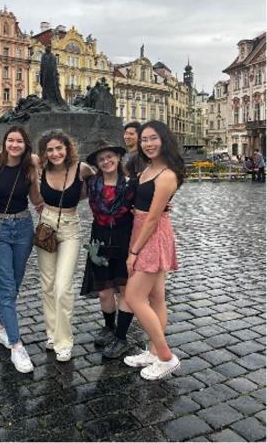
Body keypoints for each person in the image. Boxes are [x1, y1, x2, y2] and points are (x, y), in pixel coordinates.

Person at [124, 120, 184, 381]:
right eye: (144, 139)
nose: (148, 144)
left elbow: (153, 218)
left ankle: (166, 356)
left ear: (164, 140)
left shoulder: (167, 174)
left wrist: (134, 252)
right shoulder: (148, 168)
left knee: (134, 297)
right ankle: (154, 352)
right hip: (142, 230)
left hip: (151, 235)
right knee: (156, 297)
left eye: (153, 138)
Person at [0, 126, 42, 374]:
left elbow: (36, 198)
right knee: (6, 287)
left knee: (15, 284)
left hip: (24, 227)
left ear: (25, 144)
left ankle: (1, 329)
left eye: (19, 141)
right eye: (11, 140)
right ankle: (16, 345)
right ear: (5, 142)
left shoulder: (31, 167)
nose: (15, 144)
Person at [37, 130, 94, 362]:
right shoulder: (39, 167)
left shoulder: (81, 168)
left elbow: (108, 181)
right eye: (49, 149)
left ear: (68, 148)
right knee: (47, 285)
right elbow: (7, 152)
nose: (55, 153)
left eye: (59, 148)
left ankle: (64, 342)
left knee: (62, 286)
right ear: (44, 152)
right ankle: (52, 333)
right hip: (45, 227)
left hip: (70, 227)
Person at [81, 140, 136, 359]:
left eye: (110, 156)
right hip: (100, 239)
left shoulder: (132, 183)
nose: (106, 161)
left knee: (125, 288)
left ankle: (121, 337)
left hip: (124, 238)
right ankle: (109, 327)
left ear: (118, 157)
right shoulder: (91, 182)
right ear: (96, 163)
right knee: (104, 290)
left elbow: (147, 204)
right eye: (101, 159)